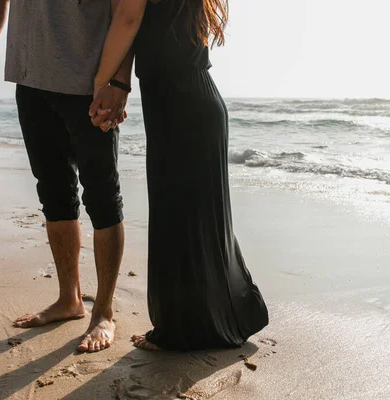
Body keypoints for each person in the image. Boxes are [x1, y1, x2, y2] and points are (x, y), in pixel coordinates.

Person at [90, 0, 269, 351]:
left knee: (177, 215)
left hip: (180, 105)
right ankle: (221, 320)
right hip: (193, 101)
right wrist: (120, 84)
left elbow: (127, 18)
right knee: (196, 219)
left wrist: (102, 81)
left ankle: (181, 330)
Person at [0, 0, 131, 353]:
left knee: (103, 198)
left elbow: (127, 10)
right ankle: (68, 299)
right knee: (54, 194)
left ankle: (103, 312)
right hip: (30, 79)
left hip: (92, 81)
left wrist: (119, 80)